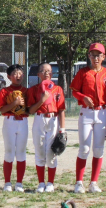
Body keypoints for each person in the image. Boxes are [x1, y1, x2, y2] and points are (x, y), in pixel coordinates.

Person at [70, 43, 106, 194]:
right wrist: (83, 97)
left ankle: (93, 183)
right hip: (86, 112)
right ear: (89, 56)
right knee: (84, 148)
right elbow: (74, 91)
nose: (96, 57)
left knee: (98, 149)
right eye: (93, 54)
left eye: (99, 55)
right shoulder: (83, 72)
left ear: (103, 57)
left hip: (102, 113)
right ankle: (79, 183)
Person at [27, 62, 66, 193]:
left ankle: (50, 182)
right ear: (38, 74)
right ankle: (41, 183)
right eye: (43, 71)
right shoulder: (34, 89)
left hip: (53, 120)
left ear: (52, 73)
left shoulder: (57, 89)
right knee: (39, 151)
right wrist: (42, 100)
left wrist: (62, 129)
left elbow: (61, 110)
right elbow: (30, 110)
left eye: (49, 71)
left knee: (51, 153)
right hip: (39, 118)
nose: (46, 73)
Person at [0, 64, 28, 193]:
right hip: (9, 121)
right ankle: (7, 183)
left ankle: (19, 183)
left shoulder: (26, 91)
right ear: (9, 76)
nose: (18, 76)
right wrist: (14, 104)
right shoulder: (5, 91)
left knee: (21, 152)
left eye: (20, 73)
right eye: (15, 73)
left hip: (23, 122)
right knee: (9, 152)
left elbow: (30, 109)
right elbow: (1, 110)